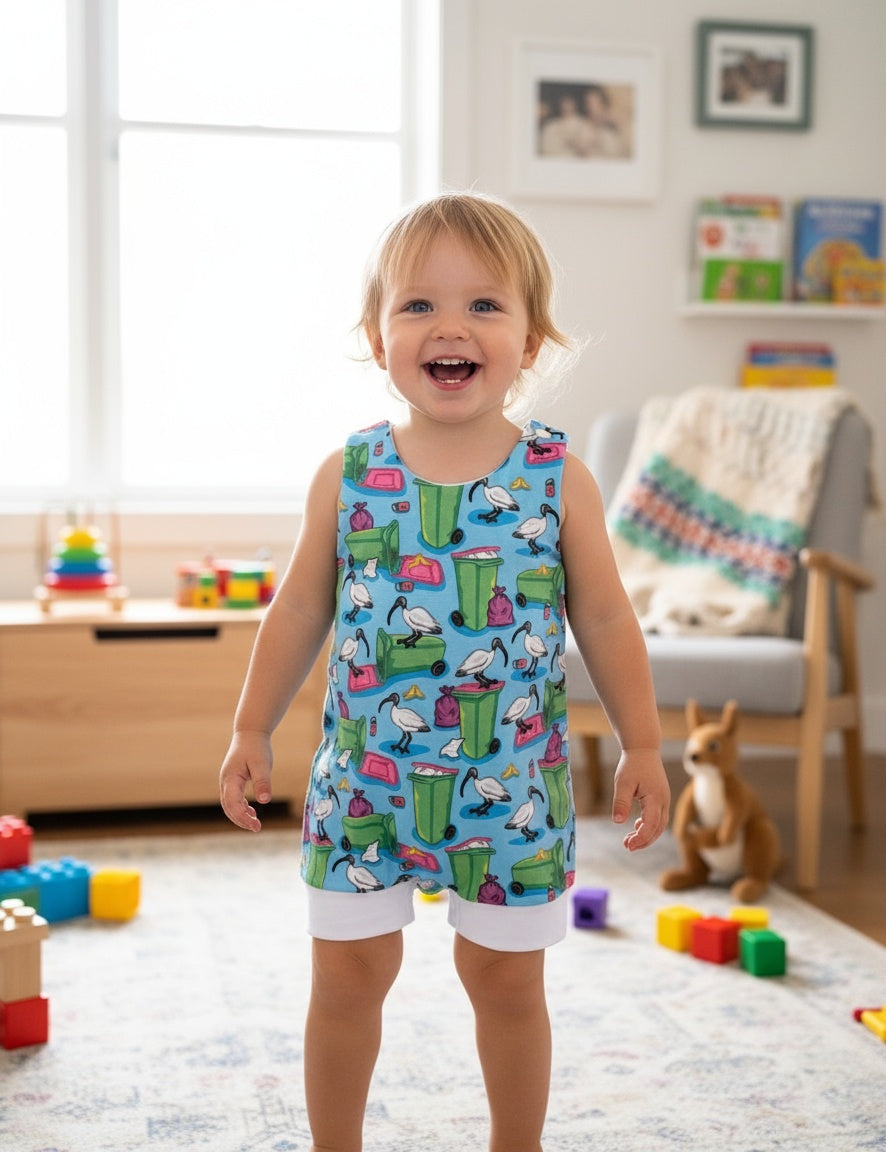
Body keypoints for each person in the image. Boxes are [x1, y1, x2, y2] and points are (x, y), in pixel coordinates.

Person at [219, 190, 670, 1152]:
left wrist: (644, 742)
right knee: (346, 977)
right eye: (418, 306)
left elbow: (603, 613)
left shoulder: (558, 477)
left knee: (505, 981)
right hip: (363, 785)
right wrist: (251, 727)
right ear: (378, 340)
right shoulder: (349, 473)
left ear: (532, 341)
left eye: (484, 306)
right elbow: (300, 607)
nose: (450, 327)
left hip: (510, 784)